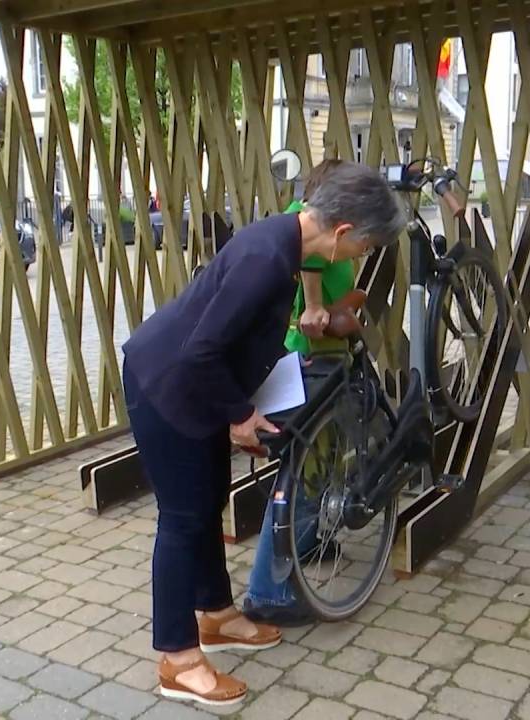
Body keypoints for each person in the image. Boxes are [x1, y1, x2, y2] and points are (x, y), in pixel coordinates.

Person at [121, 161, 403, 706]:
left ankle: (217, 617)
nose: (359, 259)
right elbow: (200, 349)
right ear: (342, 232)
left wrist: (245, 403)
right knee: (182, 520)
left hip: (197, 383)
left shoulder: (286, 246)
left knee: (206, 505)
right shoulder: (267, 259)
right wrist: (240, 416)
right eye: (364, 248)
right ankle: (177, 659)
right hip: (167, 383)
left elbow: (234, 339)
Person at [242, 158, 352, 626]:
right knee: (301, 473)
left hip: (318, 356)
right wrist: (313, 307)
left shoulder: (313, 228)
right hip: (306, 359)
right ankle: (266, 591)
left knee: (312, 465)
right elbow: (309, 268)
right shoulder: (307, 229)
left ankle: (304, 545)